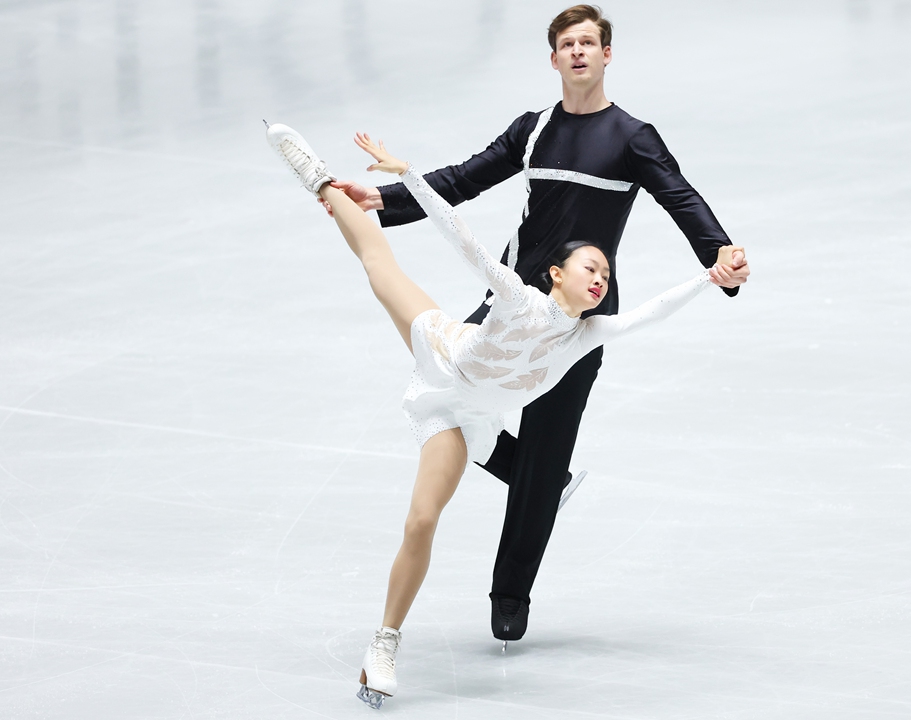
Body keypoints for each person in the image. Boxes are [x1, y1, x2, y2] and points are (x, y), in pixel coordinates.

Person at [321, 4, 751, 644]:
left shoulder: (633, 138)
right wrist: (385, 198)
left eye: (589, 43)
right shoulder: (533, 129)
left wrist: (720, 253)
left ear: (607, 55)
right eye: (566, 44)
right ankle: (531, 471)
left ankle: (510, 590)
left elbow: (679, 196)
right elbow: (465, 179)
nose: (578, 52)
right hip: (511, 305)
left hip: (579, 325)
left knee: (547, 453)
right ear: (553, 59)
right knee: (453, 390)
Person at [266, 122, 728, 705]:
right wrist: (407, 174)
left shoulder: (586, 336)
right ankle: (321, 182)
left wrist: (710, 277)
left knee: (423, 519)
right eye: (591, 267)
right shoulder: (517, 296)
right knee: (378, 264)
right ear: (556, 273)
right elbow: (459, 235)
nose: (601, 277)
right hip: (443, 360)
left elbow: (651, 314)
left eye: (605, 274)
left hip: (469, 417)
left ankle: (384, 642)